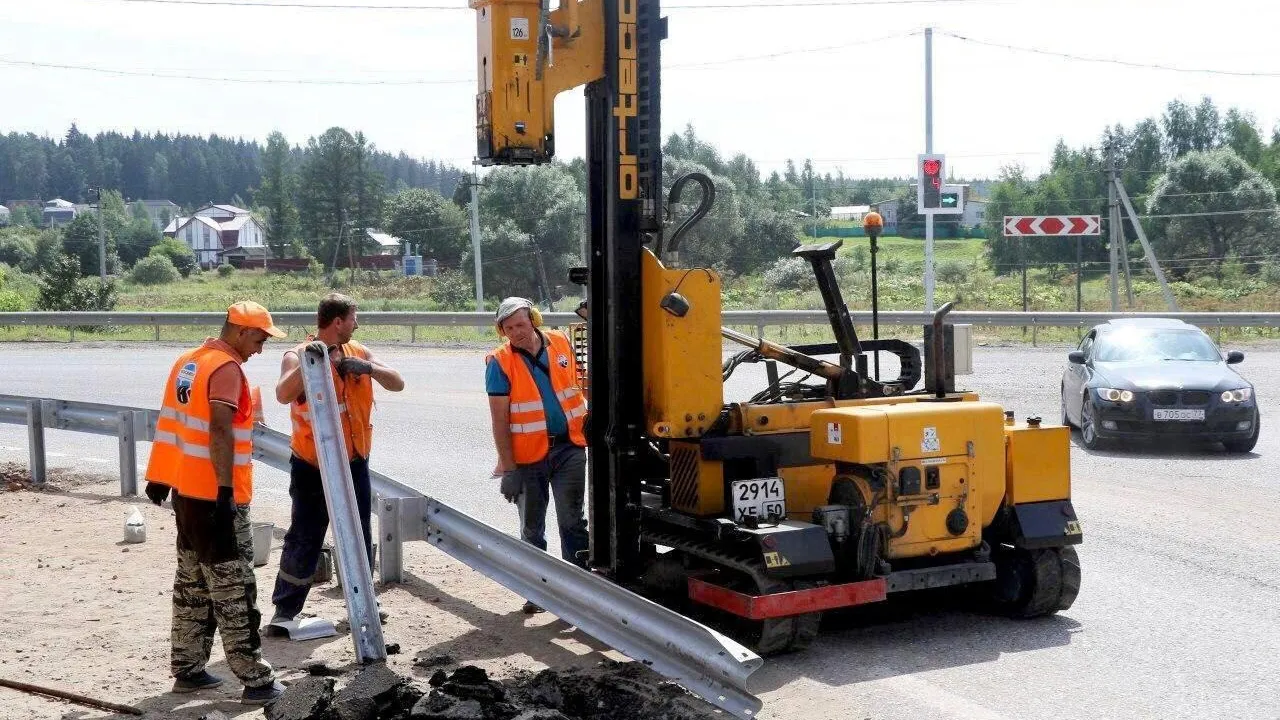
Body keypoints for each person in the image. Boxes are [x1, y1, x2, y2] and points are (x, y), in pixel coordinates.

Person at [142, 301, 287, 705]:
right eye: (259, 338)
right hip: (214, 498)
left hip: (187, 495)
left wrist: (161, 474)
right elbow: (220, 429)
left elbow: (172, 422)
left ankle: (187, 670)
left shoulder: (189, 361)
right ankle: (256, 680)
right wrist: (225, 492)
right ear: (240, 331)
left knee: (192, 585)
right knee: (233, 589)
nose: (260, 348)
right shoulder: (225, 369)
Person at [270, 293, 405, 626]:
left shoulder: (357, 352)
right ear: (337, 322)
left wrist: (369, 369)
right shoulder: (297, 355)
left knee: (358, 533)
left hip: (353, 462)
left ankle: (363, 603)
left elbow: (398, 383)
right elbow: (283, 394)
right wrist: (310, 363)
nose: (357, 324)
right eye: (353, 318)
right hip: (312, 465)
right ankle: (285, 611)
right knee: (305, 535)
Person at [486, 297, 590, 614]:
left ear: (534, 320)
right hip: (528, 457)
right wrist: (508, 468)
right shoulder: (499, 363)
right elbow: (499, 421)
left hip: (570, 446)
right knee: (533, 528)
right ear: (502, 331)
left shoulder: (560, 342)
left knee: (573, 522)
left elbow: (581, 385)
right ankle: (538, 591)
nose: (516, 332)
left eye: (521, 324)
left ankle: (579, 591)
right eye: (509, 328)